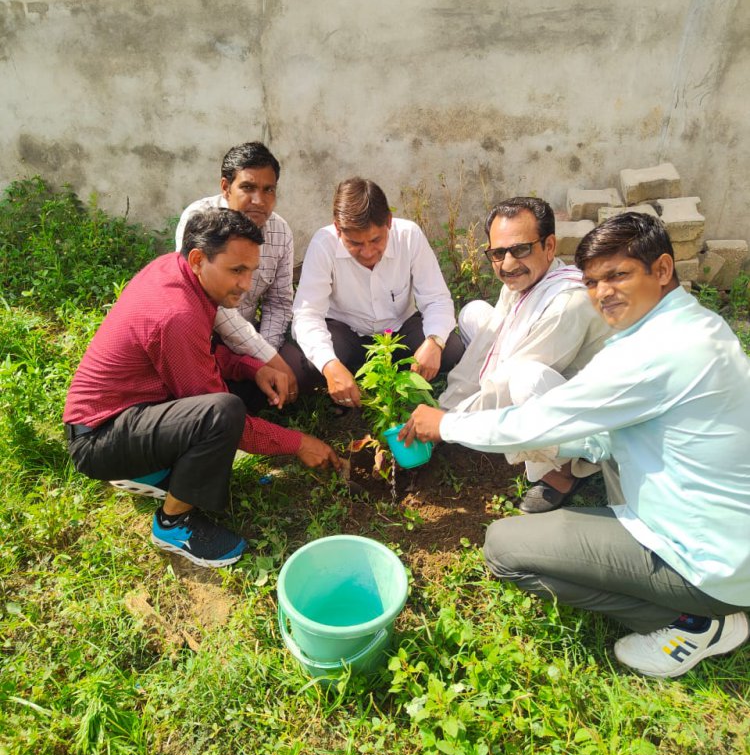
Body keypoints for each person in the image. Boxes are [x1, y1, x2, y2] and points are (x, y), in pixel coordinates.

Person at [401, 212, 750, 678]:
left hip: (704, 558)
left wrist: (445, 425)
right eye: (593, 281)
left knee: (504, 547)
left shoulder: (651, 355)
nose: (603, 292)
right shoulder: (696, 325)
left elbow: (535, 422)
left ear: (662, 270)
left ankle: (695, 622)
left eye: (618, 275)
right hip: (721, 528)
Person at [64, 208, 341, 569]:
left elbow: (199, 355)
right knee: (223, 412)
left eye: (251, 270)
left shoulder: (175, 271)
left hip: (124, 413)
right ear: (198, 259)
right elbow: (220, 418)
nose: (245, 284)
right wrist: (299, 443)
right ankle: (173, 524)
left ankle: (147, 470)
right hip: (98, 439)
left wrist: (250, 367)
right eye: (236, 270)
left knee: (229, 398)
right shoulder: (176, 313)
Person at [440, 197, 609, 512]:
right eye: (497, 253)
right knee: (473, 313)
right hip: (546, 363)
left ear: (549, 246)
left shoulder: (568, 304)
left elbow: (507, 380)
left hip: (593, 408)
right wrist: (446, 407)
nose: (507, 264)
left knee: (525, 381)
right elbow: (484, 347)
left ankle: (563, 470)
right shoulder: (521, 281)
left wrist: (443, 427)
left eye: (520, 249)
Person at [283, 177, 464, 408]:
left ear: (389, 221)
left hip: (399, 330)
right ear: (338, 230)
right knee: (312, 364)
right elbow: (306, 315)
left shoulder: (409, 235)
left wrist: (434, 341)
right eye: (355, 243)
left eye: (376, 240)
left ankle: (384, 373)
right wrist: (330, 364)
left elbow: (436, 298)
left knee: (451, 350)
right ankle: (352, 373)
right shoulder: (323, 244)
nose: (367, 252)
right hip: (346, 333)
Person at [175, 141, 297, 401]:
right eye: (248, 187)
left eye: (268, 190)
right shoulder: (200, 220)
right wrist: (270, 360)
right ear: (225, 187)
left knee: (300, 369)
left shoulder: (280, 231)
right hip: (205, 338)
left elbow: (279, 303)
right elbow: (217, 311)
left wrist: (266, 358)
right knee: (220, 400)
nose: (259, 201)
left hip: (249, 340)